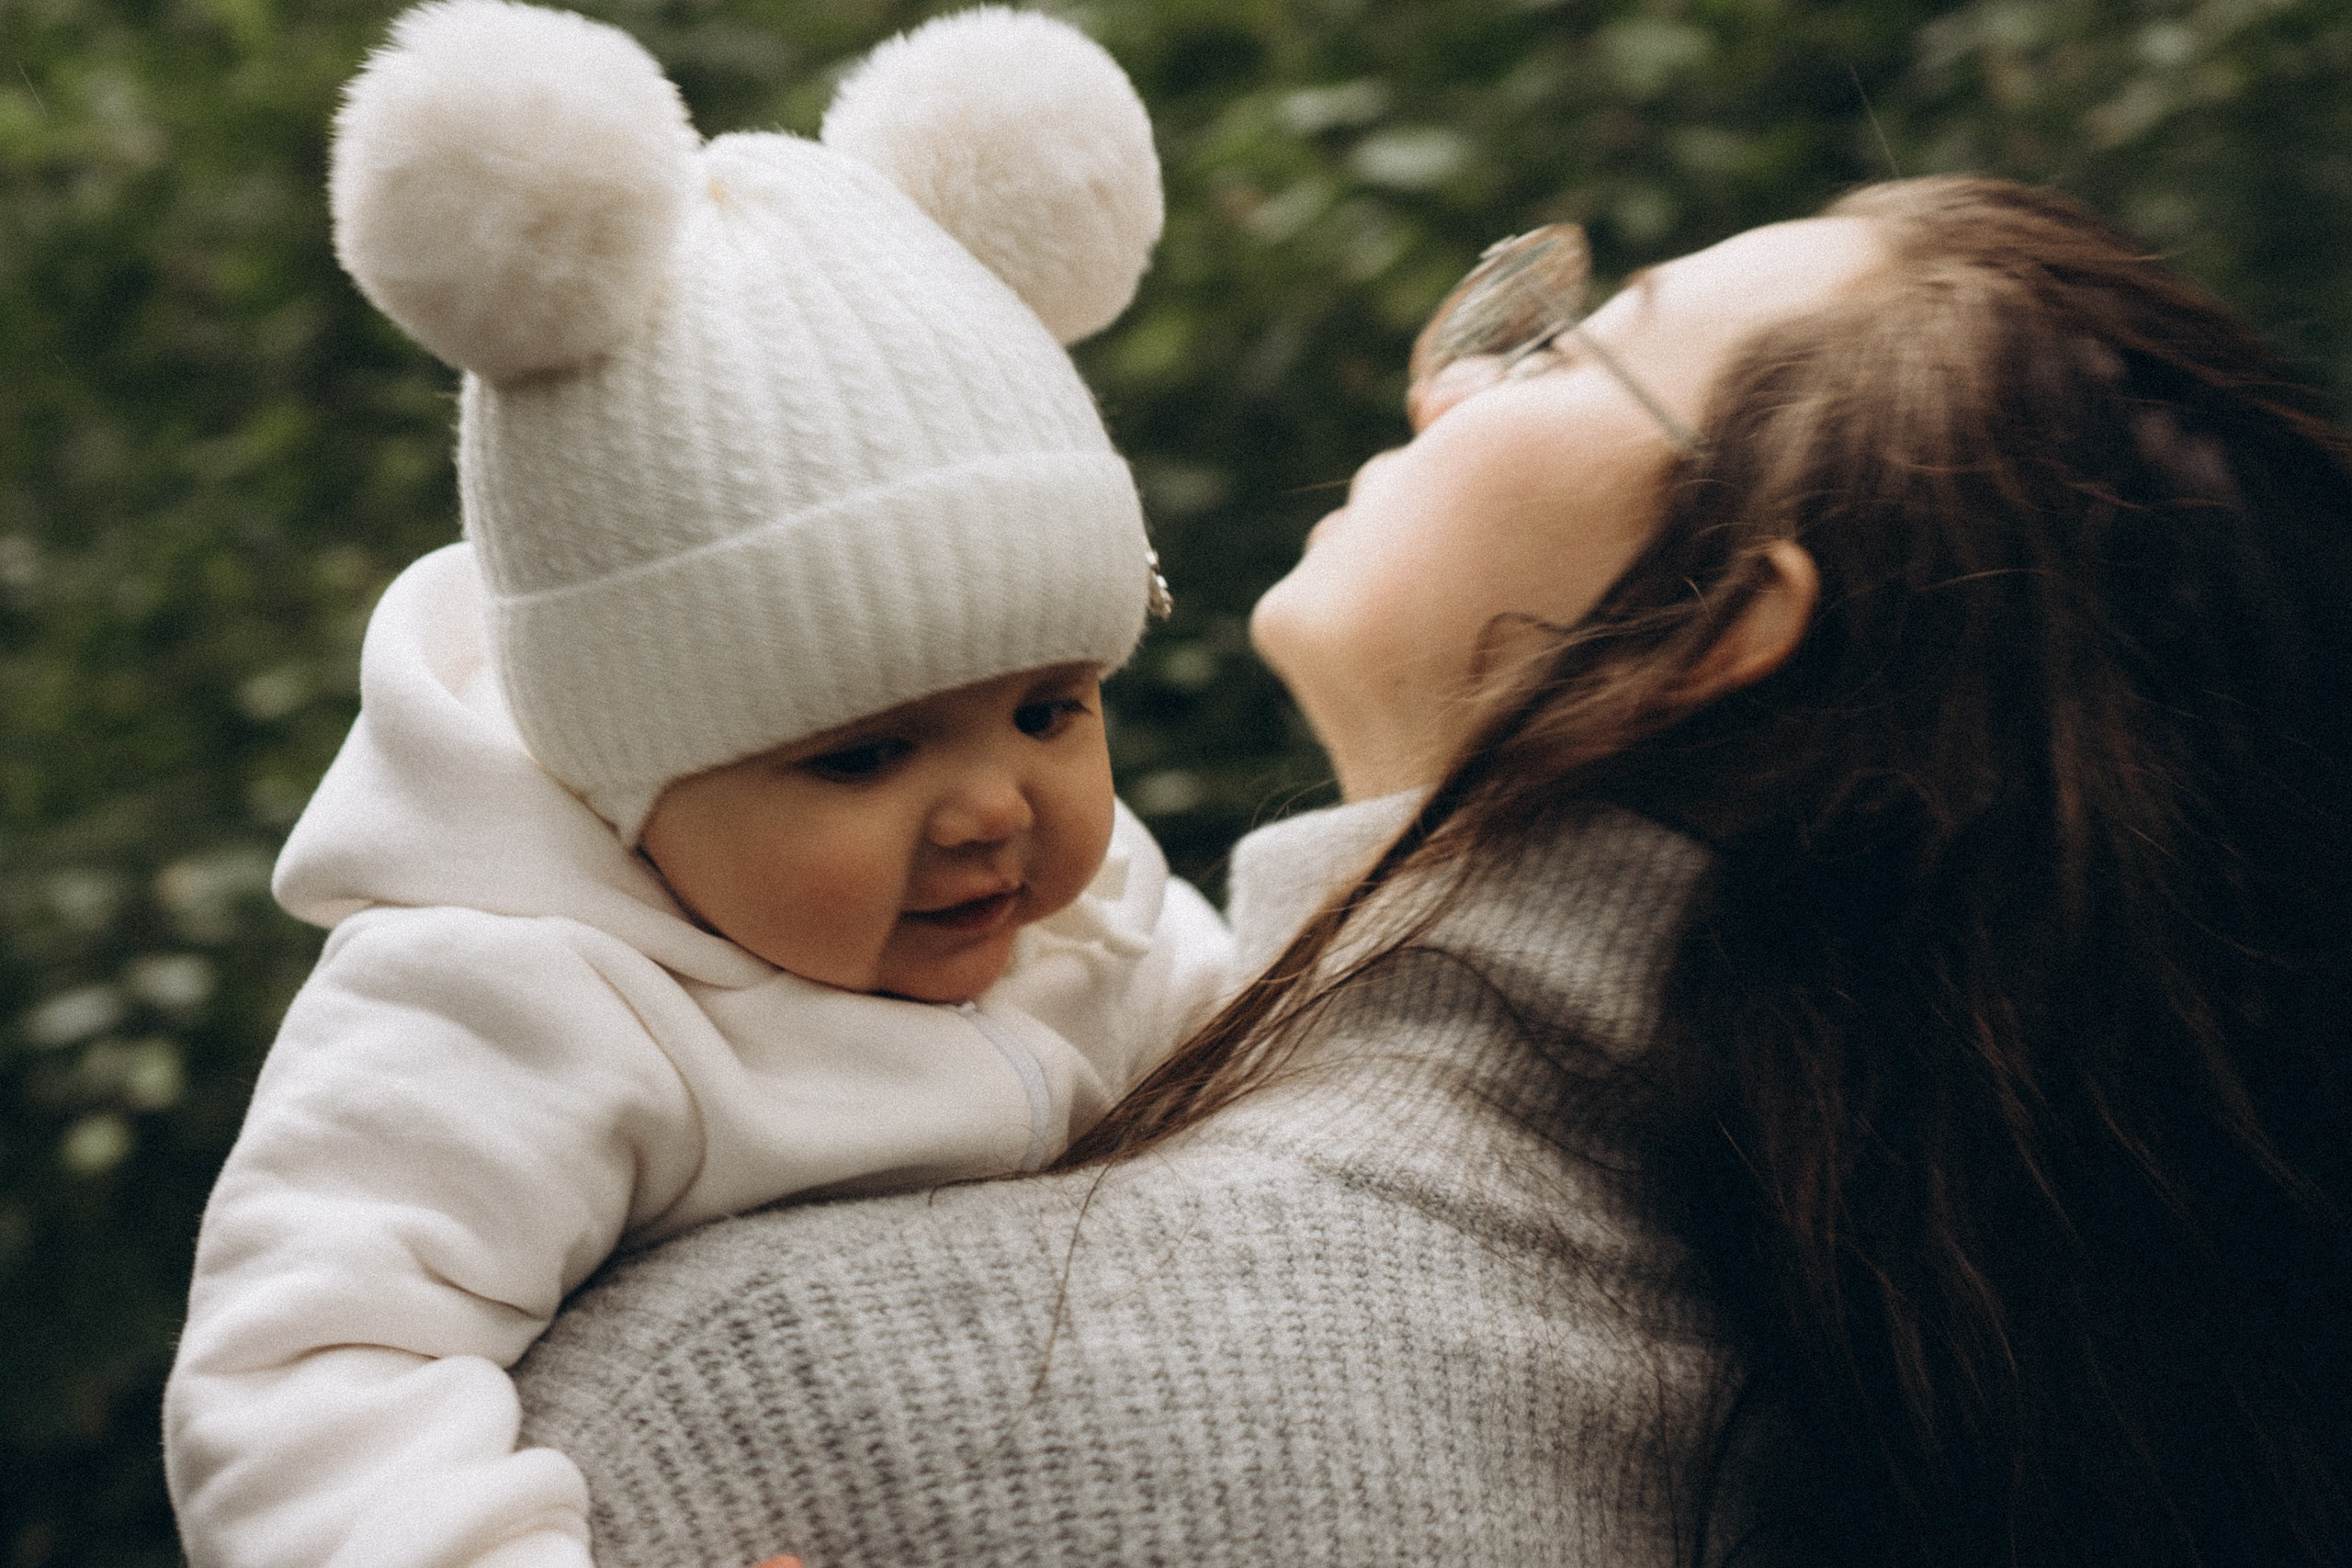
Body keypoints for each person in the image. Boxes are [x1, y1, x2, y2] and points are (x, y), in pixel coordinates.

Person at [515, 175, 2352, 1568]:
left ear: (1710, 623)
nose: (1448, 379)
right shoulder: (1891, 1431)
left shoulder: (820, 1388)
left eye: (1567, 344)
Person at [161, 6, 1234, 1567]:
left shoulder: (1094, 917)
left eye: (1049, 708)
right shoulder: (502, 999)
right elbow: (310, 1387)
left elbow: (1291, 1076)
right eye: (864, 752)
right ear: (629, 774)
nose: (995, 804)